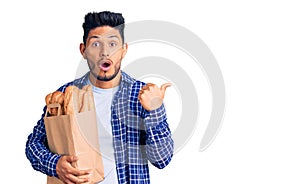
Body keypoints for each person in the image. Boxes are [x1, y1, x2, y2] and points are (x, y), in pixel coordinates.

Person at [25, 11, 174, 184]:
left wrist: (154, 111)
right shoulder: (65, 96)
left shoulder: (144, 95)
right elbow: (33, 144)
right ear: (83, 50)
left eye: (112, 43)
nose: (105, 52)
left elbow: (162, 160)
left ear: (124, 50)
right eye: (96, 44)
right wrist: (55, 164)